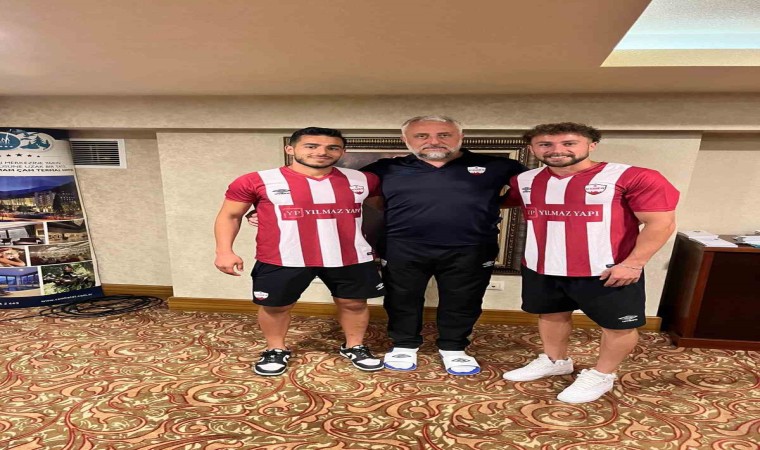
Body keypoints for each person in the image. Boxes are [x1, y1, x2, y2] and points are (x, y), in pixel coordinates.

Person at [501, 122, 678, 403]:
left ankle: (602, 374)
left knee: (618, 326)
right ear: (532, 149)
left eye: (569, 143)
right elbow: (494, 202)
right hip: (541, 264)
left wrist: (633, 264)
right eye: (545, 144)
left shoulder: (633, 176)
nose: (557, 150)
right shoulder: (524, 180)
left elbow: (661, 223)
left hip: (607, 269)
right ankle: (555, 361)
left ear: (591, 145)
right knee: (551, 314)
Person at [361, 115, 527, 376]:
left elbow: (524, 192)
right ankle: (404, 344)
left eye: (444, 135)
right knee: (401, 297)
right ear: (406, 140)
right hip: (403, 246)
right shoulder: (386, 168)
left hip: (472, 246)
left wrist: (491, 205)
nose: (433, 141)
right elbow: (368, 196)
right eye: (422, 136)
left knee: (464, 299)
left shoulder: (497, 165)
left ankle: (454, 347)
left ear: (460, 137)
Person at [214, 127, 386, 377]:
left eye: (332, 147)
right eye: (311, 146)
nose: (322, 152)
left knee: (354, 303)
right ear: (290, 149)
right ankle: (275, 349)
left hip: (350, 255)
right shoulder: (256, 180)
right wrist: (224, 251)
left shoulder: (364, 180)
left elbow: (385, 209)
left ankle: (354, 346)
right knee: (276, 306)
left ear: (342, 152)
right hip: (283, 256)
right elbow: (230, 215)